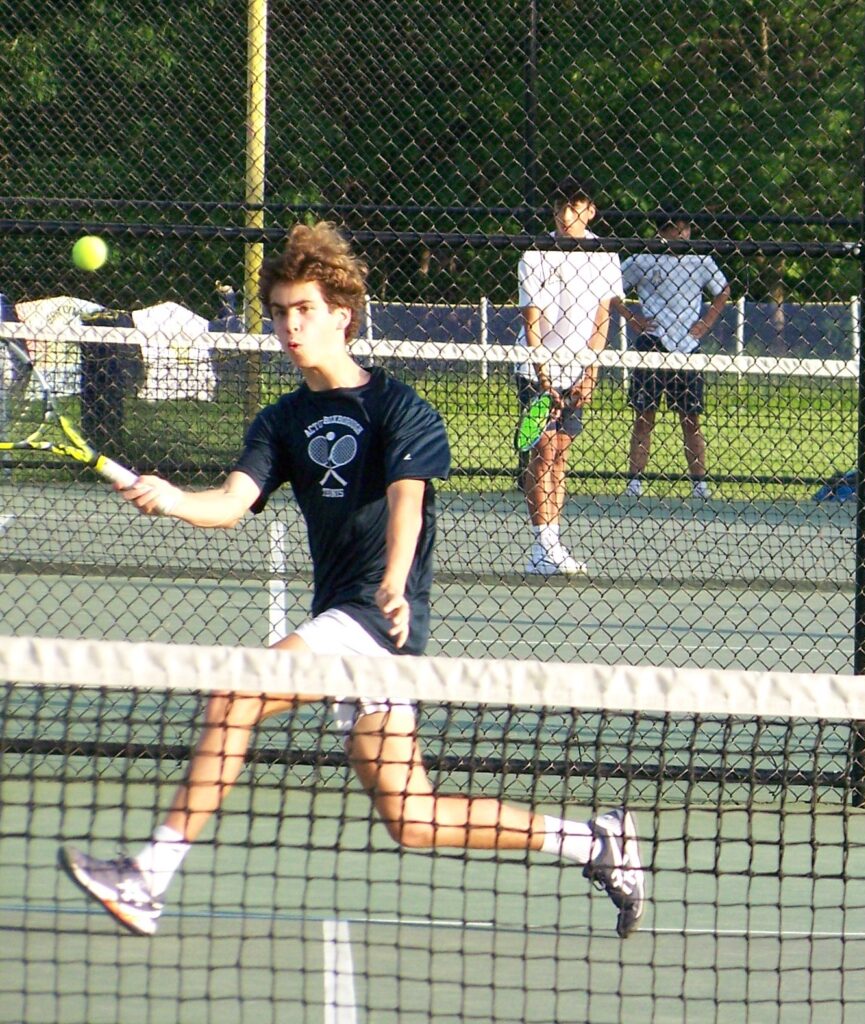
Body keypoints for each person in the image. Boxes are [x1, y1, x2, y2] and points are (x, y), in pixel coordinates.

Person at [58, 222, 645, 939]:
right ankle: (594, 841)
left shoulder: (401, 409)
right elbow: (233, 502)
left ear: (342, 315)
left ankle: (148, 877)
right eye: (278, 312)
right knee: (414, 818)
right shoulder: (280, 420)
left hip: (373, 616)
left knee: (234, 695)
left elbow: (408, 498)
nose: (288, 325)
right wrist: (172, 497)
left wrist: (395, 579)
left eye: (303, 310)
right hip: (351, 621)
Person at [516, 178, 623, 574]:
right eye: (560, 206)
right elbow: (533, 323)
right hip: (536, 368)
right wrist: (544, 378)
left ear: (590, 210)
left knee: (560, 455)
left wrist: (590, 372)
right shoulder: (535, 254)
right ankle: (543, 547)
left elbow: (602, 317)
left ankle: (552, 544)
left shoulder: (604, 256)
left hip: (579, 368)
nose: (565, 216)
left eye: (575, 207)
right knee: (543, 453)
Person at [612, 209, 730, 499]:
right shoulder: (643, 258)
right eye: (674, 230)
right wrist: (632, 318)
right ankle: (634, 482)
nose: (681, 235)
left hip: (688, 348)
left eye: (685, 228)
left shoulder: (700, 259)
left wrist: (706, 322)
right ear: (661, 232)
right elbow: (611, 287)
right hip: (652, 344)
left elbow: (723, 290)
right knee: (644, 417)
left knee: (691, 419)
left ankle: (699, 483)